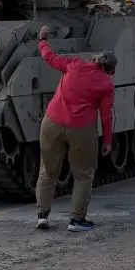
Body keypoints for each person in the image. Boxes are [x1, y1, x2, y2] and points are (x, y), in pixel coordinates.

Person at [35, 25, 116, 232]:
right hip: (81, 130)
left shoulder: (74, 64)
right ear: (110, 70)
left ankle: (42, 216)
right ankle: (76, 220)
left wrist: (43, 40)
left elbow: (49, 57)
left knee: (47, 171)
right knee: (83, 174)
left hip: (52, 123)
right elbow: (106, 116)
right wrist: (107, 140)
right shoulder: (106, 84)